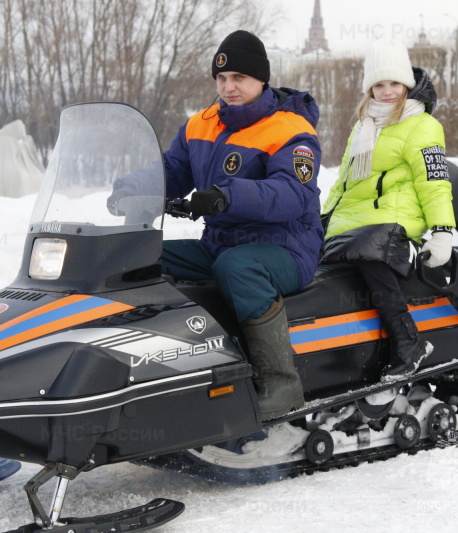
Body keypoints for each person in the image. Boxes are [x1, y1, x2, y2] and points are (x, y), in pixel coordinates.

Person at [113, 30, 323, 420]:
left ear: (262, 79)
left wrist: (228, 195)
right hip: (221, 244)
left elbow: (292, 193)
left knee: (237, 267)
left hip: (287, 247)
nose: (228, 87)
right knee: (142, 255)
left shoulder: (292, 130)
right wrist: (132, 188)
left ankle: (281, 383)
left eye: (238, 78)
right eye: (222, 79)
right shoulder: (201, 125)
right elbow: (173, 169)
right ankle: (157, 369)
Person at [321, 39, 456, 382]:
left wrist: (442, 231)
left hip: (392, 222)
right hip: (354, 222)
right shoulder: (363, 125)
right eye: (378, 85)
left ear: (407, 84)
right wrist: (323, 219)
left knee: (371, 254)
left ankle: (409, 343)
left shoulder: (422, 125)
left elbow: (434, 181)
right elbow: (345, 181)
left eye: (394, 83)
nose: (386, 92)